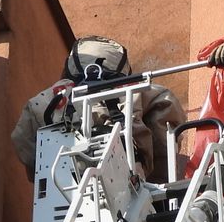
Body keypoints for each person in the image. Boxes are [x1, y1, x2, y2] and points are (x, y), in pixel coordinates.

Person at [12, 35, 185, 178]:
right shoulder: (142, 90)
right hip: (131, 178)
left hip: (62, 185)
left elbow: (25, 144)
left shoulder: (47, 99)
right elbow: (166, 140)